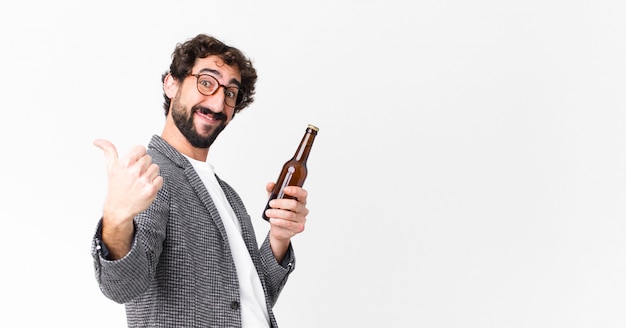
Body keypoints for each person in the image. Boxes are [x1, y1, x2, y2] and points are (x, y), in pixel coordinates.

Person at [90, 33, 309, 328]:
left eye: (230, 93)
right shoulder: (154, 175)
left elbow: (250, 300)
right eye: (207, 82)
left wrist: (278, 239)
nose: (218, 102)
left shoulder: (227, 194)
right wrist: (115, 218)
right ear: (172, 83)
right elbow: (124, 287)